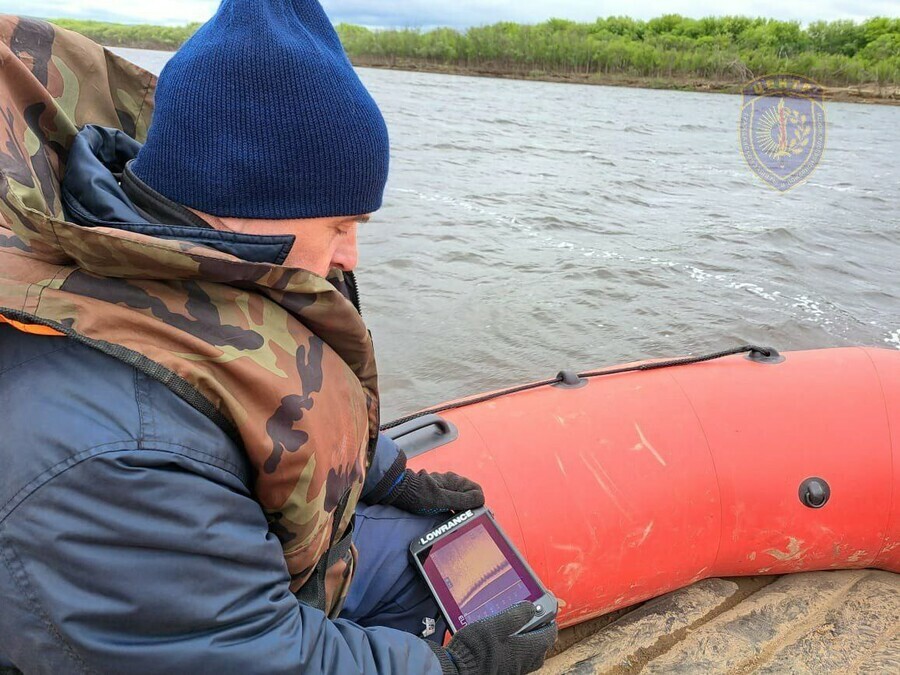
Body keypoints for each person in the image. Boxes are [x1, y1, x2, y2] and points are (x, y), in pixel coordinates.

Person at [0, 2, 557, 674]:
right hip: (197, 635)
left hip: (248, 579)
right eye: (343, 222)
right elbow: (245, 658)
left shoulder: (208, 263)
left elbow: (270, 396)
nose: (351, 252)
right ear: (250, 199)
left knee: (466, 563)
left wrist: (389, 476)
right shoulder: (120, 443)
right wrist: (451, 668)